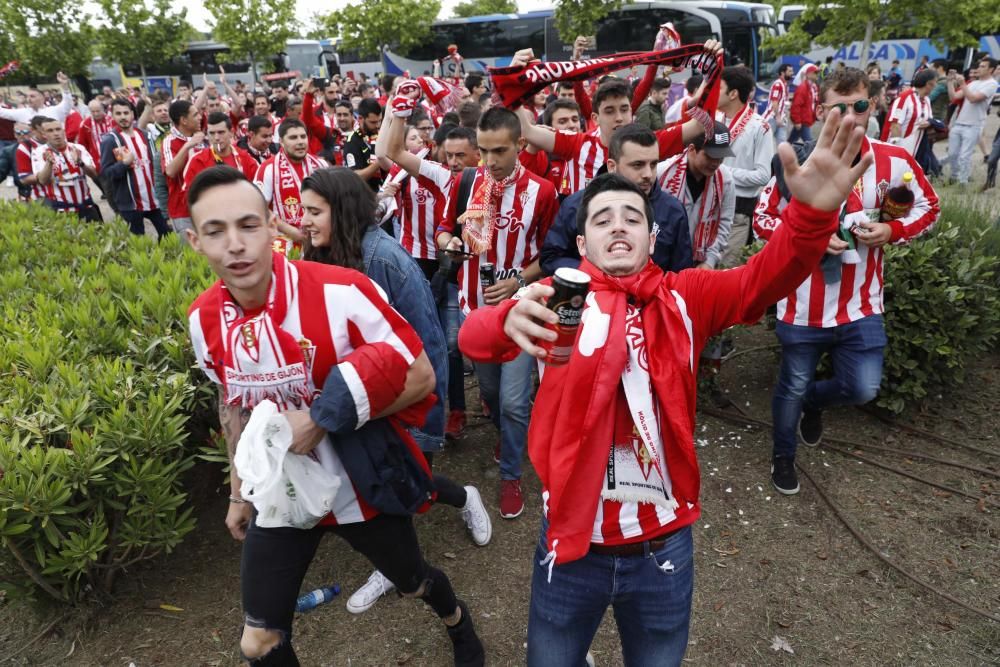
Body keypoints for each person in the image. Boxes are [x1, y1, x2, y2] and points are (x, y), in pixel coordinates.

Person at [458, 104, 876, 664]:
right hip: (572, 545)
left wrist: (810, 216)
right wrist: (504, 316)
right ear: (582, 244)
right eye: (601, 219)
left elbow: (761, 280)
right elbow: (475, 341)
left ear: (652, 237)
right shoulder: (557, 301)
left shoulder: (685, 296)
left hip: (662, 548)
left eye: (631, 217)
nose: (618, 227)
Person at [184, 165, 485, 667]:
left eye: (247, 225)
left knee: (413, 583)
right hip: (280, 494)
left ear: (272, 224)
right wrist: (240, 491)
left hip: (359, 483)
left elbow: (422, 376)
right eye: (216, 232)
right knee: (257, 641)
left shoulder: (342, 291)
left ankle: (457, 619)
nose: (234, 245)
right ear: (195, 240)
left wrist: (323, 418)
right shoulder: (203, 320)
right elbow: (233, 402)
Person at [299, 166, 492, 615]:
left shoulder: (383, 259)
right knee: (397, 482)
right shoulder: (323, 252)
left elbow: (426, 348)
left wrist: (425, 423)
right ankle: (462, 498)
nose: (304, 221)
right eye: (302, 211)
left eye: (314, 211)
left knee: (400, 485)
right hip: (361, 399)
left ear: (343, 211)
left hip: (400, 402)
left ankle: (398, 567)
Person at [753, 67, 940, 495]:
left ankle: (813, 405)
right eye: (839, 108)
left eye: (858, 106)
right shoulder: (797, 160)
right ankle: (782, 457)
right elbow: (762, 219)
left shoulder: (894, 160)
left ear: (871, 105)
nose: (851, 117)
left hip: (862, 304)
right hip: (801, 304)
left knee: (862, 387)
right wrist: (809, 241)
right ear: (821, 110)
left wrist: (893, 230)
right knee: (792, 384)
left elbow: (928, 207)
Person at [435, 107, 559, 519]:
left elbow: (552, 254)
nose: (489, 161)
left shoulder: (542, 192)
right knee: (488, 392)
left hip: (521, 309)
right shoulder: (466, 182)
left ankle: (511, 473)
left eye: (498, 151)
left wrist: (519, 282)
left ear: (520, 145)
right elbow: (444, 228)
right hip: (475, 310)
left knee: (512, 402)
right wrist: (449, 242)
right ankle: (506, 433)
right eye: (483, 151)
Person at [518, 40, 723, 195]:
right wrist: (513, 77)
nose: (619, 117)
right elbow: (526, 130)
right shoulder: (576, 144)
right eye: (610, 111)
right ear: (595, 118)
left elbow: (698, 126)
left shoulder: (650, 143)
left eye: (624, 109)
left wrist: (712, 71)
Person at [541, 123, 692, 275]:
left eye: (653, 164)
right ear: (612, 166)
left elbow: (681, 277)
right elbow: (550, 258)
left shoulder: (673, 211)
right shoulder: (577, 205)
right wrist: (595, 275)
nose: (648, 174)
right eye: (638, 165)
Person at [657, 121, 735, 271]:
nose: (716, 163)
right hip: (663, 260)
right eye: (710, 156)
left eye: (721, 157)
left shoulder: (725, 179)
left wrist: (710, 261)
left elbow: (725, 222)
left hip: (701, 264)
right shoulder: (663, 173)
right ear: (692, 149)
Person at [716, 66, 774, 267]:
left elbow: (763, 176)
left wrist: (722, 171)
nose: (713, 92)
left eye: (719, 88)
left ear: (733, 94)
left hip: (738, 213)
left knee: (725, 272)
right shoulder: (715, 120)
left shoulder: (759, 127)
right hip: (710, 208)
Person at [253, 119, 327, 254]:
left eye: (303, 136)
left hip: (317, 238)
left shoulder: (321, 165)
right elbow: (257, 207)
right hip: (283, 238)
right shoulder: (268, 169)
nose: (300, 142)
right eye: (293, 137)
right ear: (281, 141)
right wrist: (290, 230)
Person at [99, 98, 171, 238]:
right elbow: (106, 174)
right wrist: (124, 164)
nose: (123, 117)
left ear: (132, 114)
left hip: (154, 200)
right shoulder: (110, 141)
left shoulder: (145, 135)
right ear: (112, 116)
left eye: (126, 113)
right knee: (139, 244)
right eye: (118, 114)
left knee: (167, 236)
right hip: (130, 204)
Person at [31, 117, 102, 221]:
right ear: (44, 135)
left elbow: (94, 174)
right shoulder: (38, 152)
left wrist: (80, 163)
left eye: (58, 129)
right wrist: (49, 164)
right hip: (61, 210)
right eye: (50, 131)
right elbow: (42, 180)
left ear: (63, 131)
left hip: (86, 207)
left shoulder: (78, 148)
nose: (56, 133)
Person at [946, 57, 998, 186]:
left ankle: (963, 183)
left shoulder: (992, 84)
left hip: (974, 125)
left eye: (983, 66)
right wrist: (950, 82)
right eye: (979, 66)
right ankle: (954, 176)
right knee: (952, 154)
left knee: (965, 156)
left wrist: (963, 84)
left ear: (991, 69)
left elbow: (973, 98)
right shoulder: (973, 83)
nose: (979, 69)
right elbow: (954, 97)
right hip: (959, 123)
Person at [162, 99, 207, 241]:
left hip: (205, 207)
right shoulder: (170, 141)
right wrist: (188, 146)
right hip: (183, 212)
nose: (200, 117)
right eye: (195, 115)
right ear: (183, 120)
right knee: (192, 258)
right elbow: (170, 171)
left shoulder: (200, 137)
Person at [184, 112, 258, 190]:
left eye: (221, 132)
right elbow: (187, 195)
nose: (216, 138)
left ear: (231, 133)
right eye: (212, 133)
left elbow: (258, 190)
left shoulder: (245, 158)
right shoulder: (198, 160)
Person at [883, 69, 936, 156]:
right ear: (929, 84)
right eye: (935, 83)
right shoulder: (905, 97)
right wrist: (897, 150)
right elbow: (895, 125)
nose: (936, 86)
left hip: (915, 149)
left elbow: (929, 119)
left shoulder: (927, 100)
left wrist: (929, 123)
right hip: (897, 148)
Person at [344, 98, 384, 190]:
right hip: (366, 195)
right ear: (361, 119)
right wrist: (380, 161)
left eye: (380, 121)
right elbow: (356, 176)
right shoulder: (352, 141)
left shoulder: (382, 134)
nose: (378, 126)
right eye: (373, 122)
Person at [0, 72, 73, 124]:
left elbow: (68, 104)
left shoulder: (55, 110)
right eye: (27, 96)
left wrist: (65, 87)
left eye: (32, 96)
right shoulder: (22, 112)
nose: (28, 99)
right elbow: (2, 112)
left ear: (42, 98)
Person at [762, 64, 793, 143]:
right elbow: (774, 101)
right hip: (772, 117)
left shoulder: (785, 85)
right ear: (782, 73)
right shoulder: (778, 84)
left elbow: (782, 101)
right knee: (765, 141)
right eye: (790, 71)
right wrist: (778, 117)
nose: (792, 73)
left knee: (782, 142)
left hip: (781, 117)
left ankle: (781, 155)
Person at [789, 63, 819, 143]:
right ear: (808, 74)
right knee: (809, 143)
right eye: (815, 73)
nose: (817, 75)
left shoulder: (812, 87)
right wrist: (797, 121)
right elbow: (796, 105)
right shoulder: (803, 87)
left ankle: (782, 153)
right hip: (803, 120)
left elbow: (814, 103)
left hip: (805, 120)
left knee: (791, 141)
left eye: (817, 73)